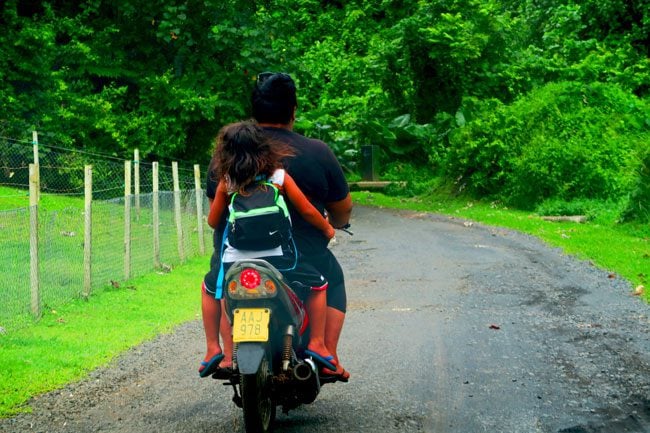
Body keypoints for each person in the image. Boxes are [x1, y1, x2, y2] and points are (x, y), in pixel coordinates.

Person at [200, 121, 339, 377]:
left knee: (213, 291)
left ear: (226, 154)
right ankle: (317, 343)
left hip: (235, 262)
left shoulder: (226, 183)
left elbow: (212, 221)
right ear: (264, 149)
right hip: (280, 260)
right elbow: (307, 210)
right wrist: (328, 229)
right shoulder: (279, 177)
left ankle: (214, 350)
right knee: (318, 285)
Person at [251, 72, 353, 381]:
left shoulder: (232, 152)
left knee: (218, 285)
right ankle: (328, 355)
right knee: (333, 279)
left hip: (239, 256)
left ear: (254, 111)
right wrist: (335, 224)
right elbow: (342, 208)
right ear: (293, 110)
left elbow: (215, 207)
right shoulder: (317, 152)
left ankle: (225, 352)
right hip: (301, 257)